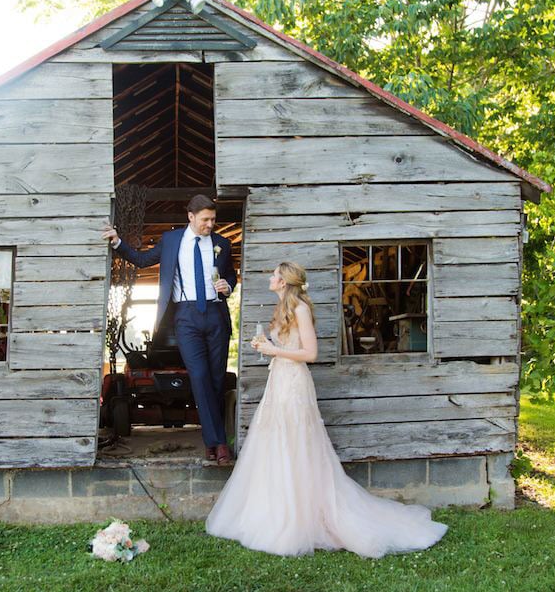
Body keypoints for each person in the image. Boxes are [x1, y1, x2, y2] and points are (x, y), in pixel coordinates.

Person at [205, 261, 448, 557]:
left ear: (283, 282)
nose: (270, 277)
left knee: (297, 444)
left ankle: (305, 514)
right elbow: (287, 346)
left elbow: (310, 353)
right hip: (278, 381)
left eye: (274, 275)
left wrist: (274, 350)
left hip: (294, 384)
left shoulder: (301, 309)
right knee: (276, 442)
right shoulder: (282, 308)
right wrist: (266, 343)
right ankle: (275, 508)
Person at [102, 194, 237, 464]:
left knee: (216, 380)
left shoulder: (222, 243)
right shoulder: (172, 240)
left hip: (216, 315)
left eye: (213, 220)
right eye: (205, 220)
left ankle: (214, 443)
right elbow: (141, 261)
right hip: (185, 317)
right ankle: (219, 443)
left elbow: (231, 275)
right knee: (198, 377)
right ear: (191, 216)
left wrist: (228, 286)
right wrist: (117, 242)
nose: (210, 224)